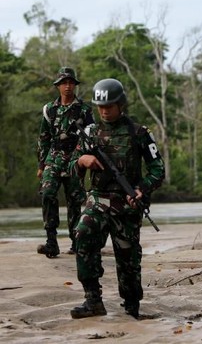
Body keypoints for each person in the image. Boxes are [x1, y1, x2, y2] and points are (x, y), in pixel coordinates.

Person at [68, 78, 165, 319]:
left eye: (109, 106)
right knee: (83, 235)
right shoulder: (89, 133)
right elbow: (71, 166)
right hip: (98, 201)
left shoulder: (139, 133)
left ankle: (132, 305)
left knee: (128, 258)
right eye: (100, 107)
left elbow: (157, 169)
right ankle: (93, 300)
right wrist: (82, 161)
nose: (104, 111)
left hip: (127, 204)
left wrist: (142, 189)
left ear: (121, 104)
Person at [36, 67, 94, 258]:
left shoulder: (84, 110)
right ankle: (51, 242)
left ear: (74, 85)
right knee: (47, 193)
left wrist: (84, 159)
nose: (67, 86)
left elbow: (91, 137)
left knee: (74, 200)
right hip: (54, 157)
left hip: (75, 159)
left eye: (70, 82)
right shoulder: (49, 109)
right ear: (58, 86)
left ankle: (76, 242)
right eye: (64, 83)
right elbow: (44, 138)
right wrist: (41, 164)